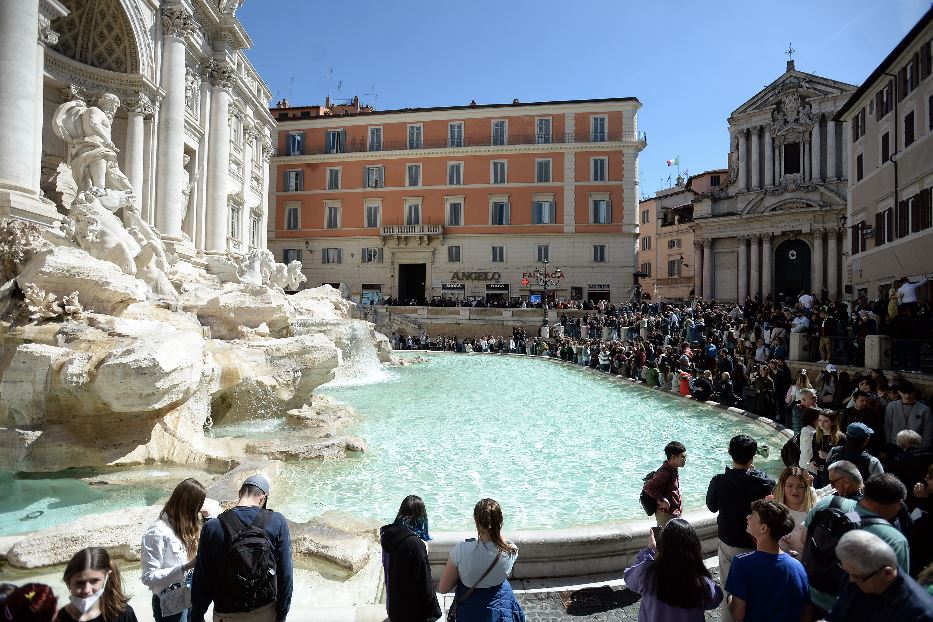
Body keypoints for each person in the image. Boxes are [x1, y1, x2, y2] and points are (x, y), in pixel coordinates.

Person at [801, 473, 910, 614]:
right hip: (851, 611)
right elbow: (896, 591)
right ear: (899, 504)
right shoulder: (894, 539)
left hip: (807, 595)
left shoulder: (828, 503)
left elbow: (803, 539)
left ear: (864, 491)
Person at [192, 475, 293, 622]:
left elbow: (202, 577)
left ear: (240, 493)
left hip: (226, 613)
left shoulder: (212, 527)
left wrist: (197, 615)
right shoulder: (277, 521)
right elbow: (286, 574)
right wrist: (282, 614)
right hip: (265, 610)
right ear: (262, 499)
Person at [706, 435, 777, 622]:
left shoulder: (719, 481)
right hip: (756, 543)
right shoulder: (766, 483)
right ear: (753, 456)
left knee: (727, 587)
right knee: (755, 590)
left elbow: (712, 506)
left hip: (728, 541)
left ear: (730, 453)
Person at [438, 498, 525, 621]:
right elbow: (503, 542)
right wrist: (495, 528)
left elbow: (443, 588)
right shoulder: (511, 551)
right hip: (499, 611)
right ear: (500, 522)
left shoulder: (461, 551)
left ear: (476, 522)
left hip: (469, 612)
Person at [725, 500, 811, 622]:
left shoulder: (742, 563)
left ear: (763, 528)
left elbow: (738, 614)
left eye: (753, 514)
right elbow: (806, 614)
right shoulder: (797, 566)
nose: (747, 516)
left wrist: (730, 598)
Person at [623, 519, 723, 621]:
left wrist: (650, 550)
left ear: (662, 545)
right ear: (694, 547)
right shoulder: (700, 582)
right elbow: (716, 599)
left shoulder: (648, 572)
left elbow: (629, 578)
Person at [141, 478, 211, 622]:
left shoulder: (187, 527)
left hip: (191, 593)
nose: (200, 508)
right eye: (198, 505)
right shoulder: (158, 532)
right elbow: (148, 577)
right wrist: (185, 567)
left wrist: (207, 517)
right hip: (170, 600)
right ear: (189, 505)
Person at [827, 530, 933, 621]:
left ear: (887, 573)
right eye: (848, 572)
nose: (850, 580)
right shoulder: (856, 575)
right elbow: (838, 613)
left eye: (856, 576)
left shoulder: (920, 614)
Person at [380, 495, 442, 621]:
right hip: (412, 614)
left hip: (394, 609)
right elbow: (425, 584)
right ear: (421, 516)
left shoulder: (387, 536)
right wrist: (435, 611)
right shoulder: (416, 545)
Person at [57, 547, 137, 622]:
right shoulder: (58, 617)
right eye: (79, 583)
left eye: (94, 581)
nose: (87, 590)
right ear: (68, 583)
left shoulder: (124, 615)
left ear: (106, 578)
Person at [771, 466, 817, 557]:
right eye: (790, 486)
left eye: (800, 486)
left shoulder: (816, 507)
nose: (795, 490)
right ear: (782, 487)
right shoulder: (774, 511)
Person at [642, 441, 686, 527]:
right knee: (665, 539)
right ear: (673, 457)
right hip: (666, 514)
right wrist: (662, 500)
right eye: (682, 457)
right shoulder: (665, 473)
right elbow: (648, 488)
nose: (685, 459)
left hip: (671, 512)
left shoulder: (673, 469)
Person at [884, 380, 932, 450]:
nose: (907, 396)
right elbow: (888, 426)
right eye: (904, 393)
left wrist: (924, 447)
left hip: (915, 447)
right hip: (894, 444)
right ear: (899, 392)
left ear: (914, 393)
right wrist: (887, 444)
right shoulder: (892, 406)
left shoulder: (924, 409)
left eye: (910, 393)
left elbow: (928, 431)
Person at [810, 409, 845, 487]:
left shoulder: (841, 438)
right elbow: (814, 453)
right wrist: (813, 461)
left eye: (826, 421)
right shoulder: (816, 435)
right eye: (819, 420)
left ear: (832, 422)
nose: (821, 423)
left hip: (832, 473)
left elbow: (843, 458)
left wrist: (828, 457)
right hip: (818, 472)